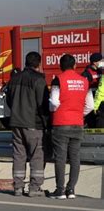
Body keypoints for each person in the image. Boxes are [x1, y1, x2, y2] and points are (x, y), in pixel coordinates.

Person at [48, 54, 94, 199]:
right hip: (77, 123)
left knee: (61, 158)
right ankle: (71, 190)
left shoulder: (58, 80)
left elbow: (54, 102)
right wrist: (80, 114)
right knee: (75, 158)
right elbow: (91, 106)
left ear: (60, 66)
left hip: (61, 123)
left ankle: (60, 190)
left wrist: (54, 111)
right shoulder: (84, 81)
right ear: (75, 66)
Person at [6, 52, 49, 197]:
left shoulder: (14, 78)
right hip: (33, 123)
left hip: (16, 122)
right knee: (37, 154)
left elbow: (9, 101)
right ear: (38, 64)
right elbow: (43, 104)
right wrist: (46, 122)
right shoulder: (39, 80)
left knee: (19, 154)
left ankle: (18, 187)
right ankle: (34, 187)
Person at [81, 53, 102, 127]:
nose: (102, 62)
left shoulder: (101, 71)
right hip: (91, 100)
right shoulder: (86, 73)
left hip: (100, 100)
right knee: (91, 121)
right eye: (100, 60)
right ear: (94, 62)